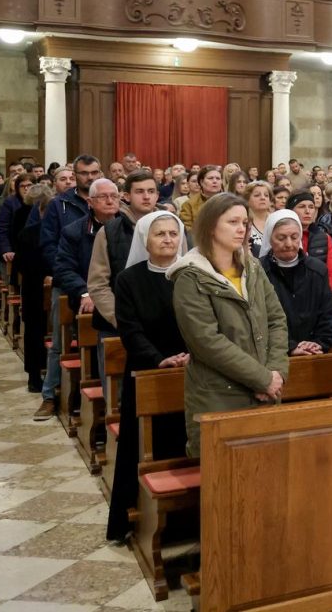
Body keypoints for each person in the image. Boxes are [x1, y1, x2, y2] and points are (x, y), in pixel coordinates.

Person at [170, 193, 288, 456]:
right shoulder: (191, 277)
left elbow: (276, 320)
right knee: (225, 473)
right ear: (211, 226)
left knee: (267, 469)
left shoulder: (252, 267)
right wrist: (262, 379)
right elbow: (206, 341)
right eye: (232, 222)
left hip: (266, 391)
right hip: (220, 395)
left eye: (245, 223)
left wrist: (276, 372)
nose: (241, 229)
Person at [105, 211, 188, 541]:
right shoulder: (128, 280)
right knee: (140, 444)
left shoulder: (193, 274)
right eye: (160, 234)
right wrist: (159, 359)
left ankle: (185, 522)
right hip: (146, 369)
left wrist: (193, 356)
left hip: (191, 370)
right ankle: (134, 519)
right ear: (145, 239)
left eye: (173, 233)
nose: (168, 239)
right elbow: (130, 330)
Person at [35, 179, 122, 420]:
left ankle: (119, 403)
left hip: (114, 297)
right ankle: (49, 395)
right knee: (59, 344)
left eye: (114, 196)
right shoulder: (74, 230)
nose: (109, 200)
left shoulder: (128, 227)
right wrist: (86, 292)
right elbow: (63, 268)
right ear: (90, 202)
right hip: (80, 294)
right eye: (103, 197)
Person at [88, 170, 160, 345]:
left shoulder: (173, 228)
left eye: (151, 191)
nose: (146, 197)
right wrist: (122, 319)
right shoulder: (109, 231)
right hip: (117, 326)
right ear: (126, 196)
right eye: (139, 191)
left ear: (157, 195)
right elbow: (98, 284)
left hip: (162, 323)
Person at [259, 210, 332, 355]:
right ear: (269, 238)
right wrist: (290, 346)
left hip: (315, 353)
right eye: (281, 238)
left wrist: (319, 343)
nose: (289, 244)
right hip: (273, 353)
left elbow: (327, 314)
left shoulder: (317, 270)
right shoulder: (259, 271)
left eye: (294, 237)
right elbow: (259, 318)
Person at [12, 183, 53, 392]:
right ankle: (36, 376)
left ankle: (36, 377)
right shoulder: (29, 234)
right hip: (36, 287)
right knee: (35, 331)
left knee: (35, 331)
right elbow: (20, 263)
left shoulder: (30, 232)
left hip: (38, 286)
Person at [287, 190, 332, 292]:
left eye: (311, 207)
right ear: (291, 210)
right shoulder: (282, 237)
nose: (308, 211)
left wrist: (320, 293)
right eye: (302, 206)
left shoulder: (324, 237)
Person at [179, 164, 222, 231]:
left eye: (218, 178)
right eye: (210, 178)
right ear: (201, 182)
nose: (215, 181)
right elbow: (187, 230)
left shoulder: (230, 202)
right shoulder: (189, 205)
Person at [244, 181, 276, 255]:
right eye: (257, 195)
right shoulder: (244, 222)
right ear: (247, 200)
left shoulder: (277, 220)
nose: (262, 198)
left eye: (266, 195)